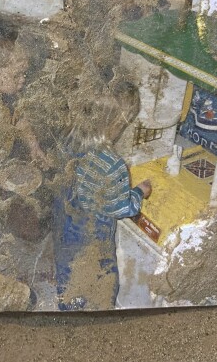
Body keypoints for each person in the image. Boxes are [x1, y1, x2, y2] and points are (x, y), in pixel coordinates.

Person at [52, 85, 152, 311]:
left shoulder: (68, 137)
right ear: (115, 124)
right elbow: (121, 207)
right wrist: (139, 192)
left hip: (64, 218)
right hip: (91, 231)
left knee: (68, 265)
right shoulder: (113, 164)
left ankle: (68, 305)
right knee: (101, 275)